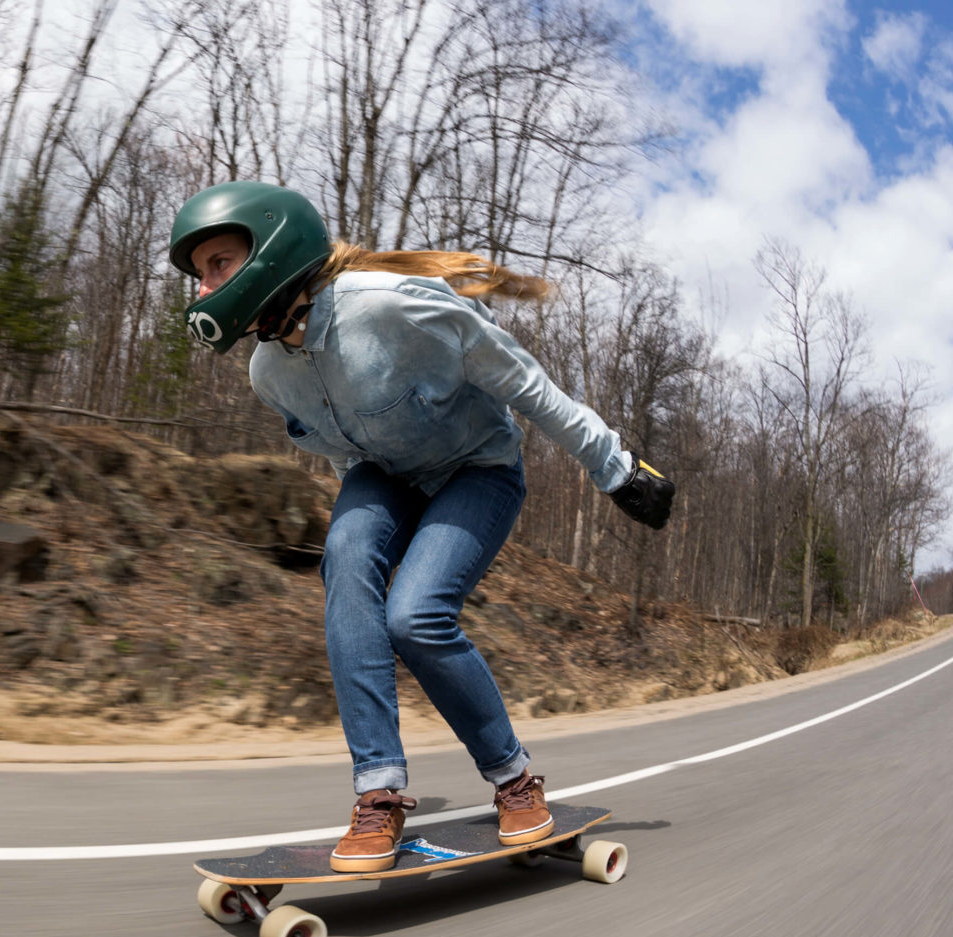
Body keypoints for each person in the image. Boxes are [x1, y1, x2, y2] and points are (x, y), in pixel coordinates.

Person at [168, 181, 675, 872]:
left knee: (416, 616)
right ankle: (378, 793)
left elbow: (524, 384)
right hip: (385, 473)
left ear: (270, 250)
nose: (204, 288)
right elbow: (340, 443)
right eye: (199, 275)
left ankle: (515, 781)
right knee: (345, 557)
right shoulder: (267, 373)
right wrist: (378, 502)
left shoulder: (393, 305)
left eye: (217, 265)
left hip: (477, 469)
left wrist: (616, 468)